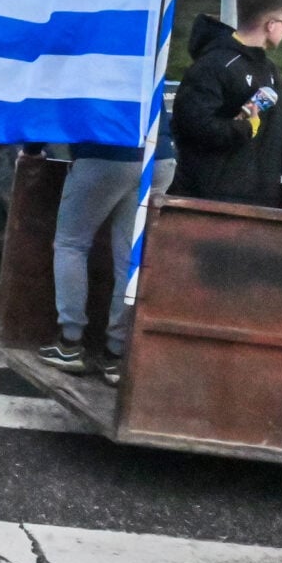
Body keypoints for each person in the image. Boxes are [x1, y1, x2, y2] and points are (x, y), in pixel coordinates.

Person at [39, 116, 177, 384]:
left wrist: (32, 149)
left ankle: (70, 343)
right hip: (159, 157)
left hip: (105, 152)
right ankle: (116, 354)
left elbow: (55, 107)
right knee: (129, 258)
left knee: (71, 244)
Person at [172, 0, 282, 206]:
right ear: (271, 25)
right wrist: (244, 128)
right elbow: (192, 126)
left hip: (261, 199)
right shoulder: (213, 64)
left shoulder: (268, 69)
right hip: (213, 200)